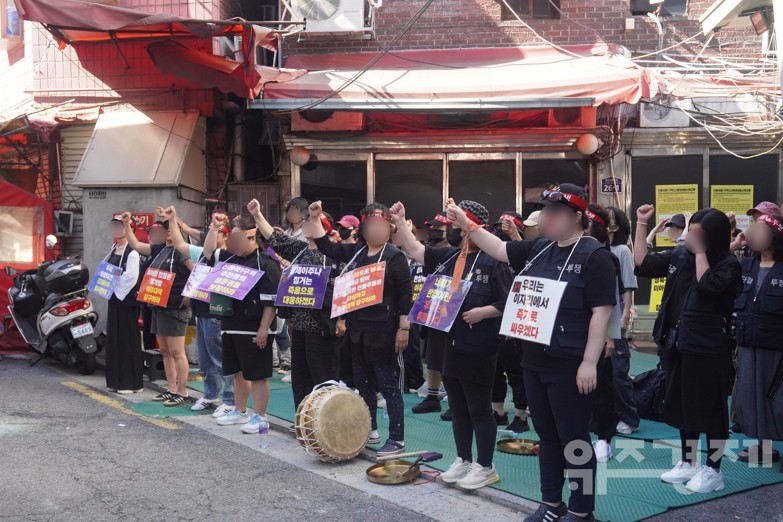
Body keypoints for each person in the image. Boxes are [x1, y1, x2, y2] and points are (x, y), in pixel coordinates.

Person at [447, 184, 615, 522]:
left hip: (570, 364)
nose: (546, 219)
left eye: (555, 213)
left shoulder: (594, 255)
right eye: (545, 212)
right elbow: (497, 247)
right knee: (548, 437)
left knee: (575, 440)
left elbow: (602, 311)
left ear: (577, 217)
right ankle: (551, 503)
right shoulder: (540, 248)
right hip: (534, 360)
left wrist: (588, 363)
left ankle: (582, 510)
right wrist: (466, 222)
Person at [392, 199, 510, 489]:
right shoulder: (447, 257)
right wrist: (400, 221)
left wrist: (485, 312)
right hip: (448, 345)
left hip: (480, 346)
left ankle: (485, 465)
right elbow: (416, 249)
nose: (452, 230)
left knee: (479, 408)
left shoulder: (494, 260)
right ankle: (464, 459)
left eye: (457, 223)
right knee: (458, 407)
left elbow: (509, 301)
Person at [634, 205, 741, 493]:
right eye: (690, 232)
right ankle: (688, 462)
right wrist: (642, 223)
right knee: (683, 405)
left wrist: (700, 252)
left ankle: (714, 470)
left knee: (713, 410)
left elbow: (707, 286)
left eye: (697, 234)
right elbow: (642, 264)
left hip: (709, 347)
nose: (689, 238)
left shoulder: (729, 265)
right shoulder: (681, 255)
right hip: (677, 343)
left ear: (712, 238)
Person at [309, 200, 412, 457]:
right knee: (363, 384)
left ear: (389, 228)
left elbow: (404, 295)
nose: (377, 230)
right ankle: (369, 429)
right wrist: (314, 217)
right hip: (358, 331)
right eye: (371, 225)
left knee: (388, 386)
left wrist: (404, 328)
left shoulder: (394, 256)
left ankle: (397, 438)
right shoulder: (357, 252)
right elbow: (326, 247)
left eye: (382, 225)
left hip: (385, 330)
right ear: (363, 229)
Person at [247, 198, 342, 412]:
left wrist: (342, 319)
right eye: (307, 222)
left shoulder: (335, 255)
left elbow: (344, 290)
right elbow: (275, 239)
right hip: (298, 325)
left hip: (323, 326)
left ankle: (324, 418)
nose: (307, 225)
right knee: (300, 374)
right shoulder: (300, 250)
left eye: (314, 223)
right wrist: (257, 215)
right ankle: (304, 417)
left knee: (323, 375)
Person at [203, 216, 282, 435]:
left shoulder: (266, 261)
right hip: (230, 324)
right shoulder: (229, 259)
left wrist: (264, 328)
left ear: (251, 235)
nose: (233, 243)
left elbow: (271, 300)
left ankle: (260, 416)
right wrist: (215, 227)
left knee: (257, 374)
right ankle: (240, 410)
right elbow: (208, 252)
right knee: (237, 372)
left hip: (255, 327)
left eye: (238, 238)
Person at [168, 208, 235, 417]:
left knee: (220, 357)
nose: (213, 236)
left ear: (226, 236)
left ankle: (230, 399)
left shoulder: (230, 256)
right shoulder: (203, 255)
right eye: (211, 232)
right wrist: (171, 221)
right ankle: (210, 394)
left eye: (219, 232)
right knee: (205, 359)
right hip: (200, 310)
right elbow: (180, 244)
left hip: (218, 313)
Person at [123, 212, 194, 407]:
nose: (169, 232)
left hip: (174, 309)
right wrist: (126, 226)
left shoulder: (182, 252)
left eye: (172, 228)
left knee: (177, 352)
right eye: (166, 229)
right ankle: (171, 389)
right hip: (157, 307)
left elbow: (197, 273)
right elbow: (136, 245)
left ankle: (183, 391)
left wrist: (186, 298)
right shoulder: (159, 249)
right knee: (164, 350)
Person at [733, 213, 783, 469]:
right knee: (752, 396)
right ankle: (764, 448)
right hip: (748, 340)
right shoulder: (746, 263)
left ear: (774, 236)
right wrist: (735, 244)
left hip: (776, 346)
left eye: (759, 230)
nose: (753, 235)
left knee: (778, 398)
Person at [584, 204, 622, 464]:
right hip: (572, 335)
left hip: (598, 335)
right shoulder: (567, 252)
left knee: (602, 388)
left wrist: (611, 336)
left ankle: (604, 439)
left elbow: (614, 303)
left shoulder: (607, 258)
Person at [606, 206, 640, 436]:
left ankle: (630, 418)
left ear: (615, 226)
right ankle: (606, 415)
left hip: (615, 316)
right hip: (596, 319)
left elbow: (628, 285)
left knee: (618, 372)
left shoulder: (621, 251)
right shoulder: (595, 247)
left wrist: (625, 314)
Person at [103, 217, 143, 394]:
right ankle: (115, 380)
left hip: (126, 300)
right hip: (114, 298)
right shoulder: (113, 249)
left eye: (120, 226)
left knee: (127, 341)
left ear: (129, 229)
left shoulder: (133, 252)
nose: (117, 230)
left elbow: (131, 277)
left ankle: (130, 383)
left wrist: (115, 287)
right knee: (114, 339)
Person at [140, 221, 167, 352]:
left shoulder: (167, 250)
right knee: (148, 328)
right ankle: (148, 357)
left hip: (163, 298)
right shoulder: (148, 250)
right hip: (148, 296)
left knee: (162, 334)